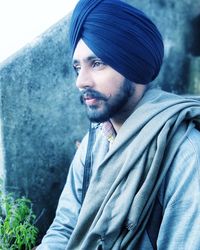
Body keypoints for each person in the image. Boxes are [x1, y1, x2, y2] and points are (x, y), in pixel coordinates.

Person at [36, 0, 200, 249]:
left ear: (133, 65)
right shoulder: (95, 142)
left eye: (97, 63)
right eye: (77, 67)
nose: (81, 81)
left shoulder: (186, 157)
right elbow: (66, 228)